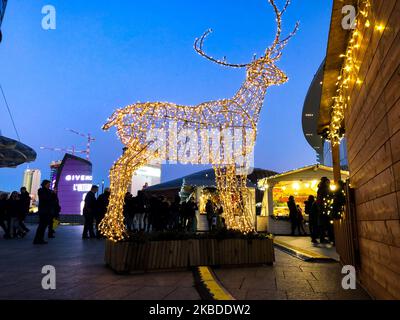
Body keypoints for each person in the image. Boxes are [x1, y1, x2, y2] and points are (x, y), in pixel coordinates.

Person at [33, 180, 53, 244]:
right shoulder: (41, 190)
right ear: (45, 184)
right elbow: (46, 198)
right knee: (42, 226)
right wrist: (51, 193)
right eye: (48, 184)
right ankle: (38, 239)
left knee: (43, 226)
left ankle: (40, 239)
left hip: (46, 210)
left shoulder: (48, 191)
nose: (49, 185)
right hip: (43, 211)